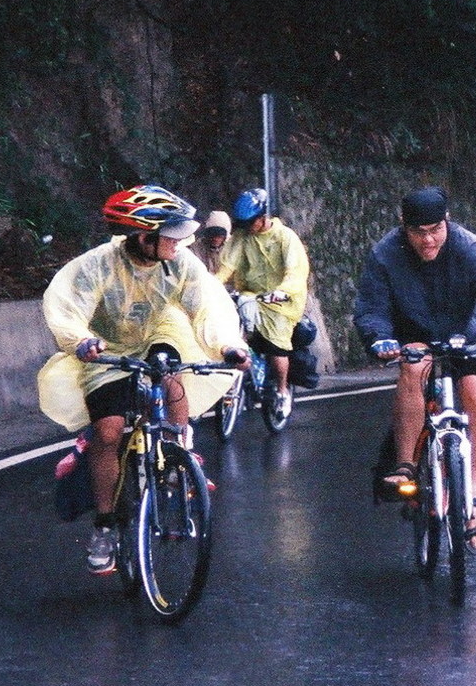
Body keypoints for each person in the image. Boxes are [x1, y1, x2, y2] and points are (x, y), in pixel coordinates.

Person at [37, 185, 251, 574]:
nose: (181, 241)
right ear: (142, 235)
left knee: (171, 372)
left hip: (160, 331)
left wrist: (228, 347)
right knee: (108, 432)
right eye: (171, 234)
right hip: (107, 348)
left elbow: (208, 307)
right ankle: (103, 527)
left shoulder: (181, 263)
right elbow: (66, 309)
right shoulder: (98, 265)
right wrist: (80, 340)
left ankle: (179, 449)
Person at [353, 186, 476, 551]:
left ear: (447, 222)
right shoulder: (385, 254)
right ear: (404, 228)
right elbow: (371, 307)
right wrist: (379, 338)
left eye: (435, 230)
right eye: (418, 232)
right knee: (414, 367)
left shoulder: (469, 246)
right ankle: (406, 466)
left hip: (464, 336)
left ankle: (472, 494)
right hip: (413, 337)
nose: (428, 240)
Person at [215, 187, 310, 420]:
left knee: (276, 345)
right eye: (244, 224)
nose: (248, 228)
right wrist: (213, 287)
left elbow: (295, 272)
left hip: (280, 301)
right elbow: (227, 266)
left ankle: (281, 390)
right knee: (232, 336)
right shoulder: (242, 237)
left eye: (251, 223)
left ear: (263, 218)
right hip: (248, 295)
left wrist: (281, 292)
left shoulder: (285, 237)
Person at [195, 209, 231, 274]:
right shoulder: (196, 248)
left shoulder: (232, 249)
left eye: (220, 236)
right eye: (213, 235)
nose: (215, 239)